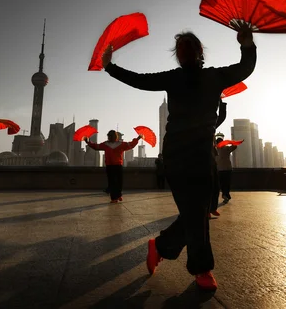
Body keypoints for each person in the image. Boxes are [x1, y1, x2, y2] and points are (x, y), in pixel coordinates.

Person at [101, 29, 256, 291]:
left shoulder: (214, 76)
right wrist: (109, 67)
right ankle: (201, 269)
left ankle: (162, 246)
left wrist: (247, 44)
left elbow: (244, 68)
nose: (183, 49)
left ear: (200, 51)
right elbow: (139, 79)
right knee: (196, 212)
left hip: (203, 154)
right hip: (177, 154)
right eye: (179, 46)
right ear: (177, 55)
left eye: (188, 44)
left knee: (198, 211)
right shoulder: (172, 78)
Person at [85, 130, 141, 203]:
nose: (110, 137)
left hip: (116, 165)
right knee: (112, 182)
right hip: (111, 165)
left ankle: (118, 195)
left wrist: (138, 138)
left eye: (111, 136)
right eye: (109, 136)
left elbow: (131, 144)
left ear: (115, 137)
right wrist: (88, 142)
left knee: (118, 181)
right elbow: (96, 146)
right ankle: (114, 197)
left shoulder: (119, 144)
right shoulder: (107, 144)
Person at [210, 101, 228, 216]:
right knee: (206, 186)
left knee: (215, 186)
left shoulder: (210, 124)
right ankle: (207, 210)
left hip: (211, 157)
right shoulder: (194, 125)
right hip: (200, 157)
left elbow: (221, 117)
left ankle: (212, 208)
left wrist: (221, 103)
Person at [215, 138, 237, 204]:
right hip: (225, 169)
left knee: (223, 183)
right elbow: (235, 146)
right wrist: (230, 142)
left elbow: (234, 146)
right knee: (226, 183)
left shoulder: (218, 149)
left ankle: (225, 195)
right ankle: (226, 194)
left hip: (222, 169)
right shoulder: (225, 148)